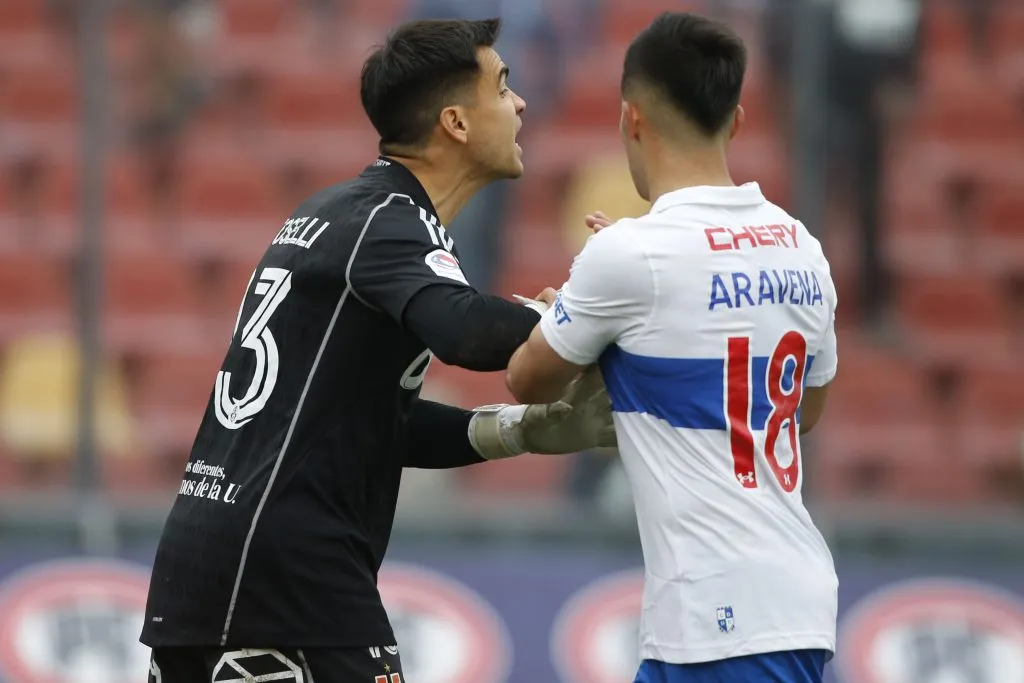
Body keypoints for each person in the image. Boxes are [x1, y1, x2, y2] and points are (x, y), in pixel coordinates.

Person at [142, 18, 615, 683]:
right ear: (455, 122)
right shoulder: (389, 222)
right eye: (503, 86)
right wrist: (577, 306)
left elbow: (368, 415)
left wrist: (520, 429)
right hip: (289, 579)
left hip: (214, 562)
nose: (520, 104)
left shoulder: (343, 212)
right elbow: (466, 332)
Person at [506, 12, 839, 683]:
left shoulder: (629, 252)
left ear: (632, 118)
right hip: (793, 597)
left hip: (718, 616)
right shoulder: (803, 248)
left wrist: (584, 295)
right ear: (738, 120)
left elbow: (528, 379)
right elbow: (803, 410)